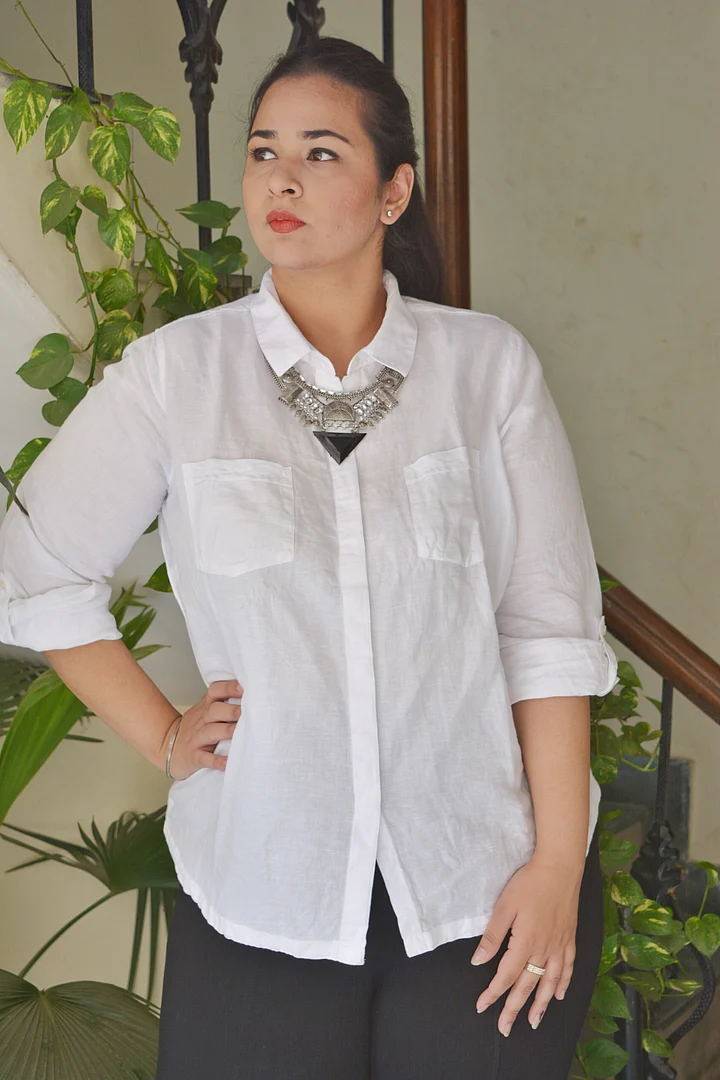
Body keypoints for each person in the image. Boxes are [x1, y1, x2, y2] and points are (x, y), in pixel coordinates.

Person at [0, 35, 619, 1080]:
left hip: (481, 891)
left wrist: (558, 865)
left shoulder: (488, 370)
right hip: (263, 898)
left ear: (394, 191)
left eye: (322, 152)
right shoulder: (175, 379)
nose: (280, 179)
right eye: (263, 151)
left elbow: (547, 628)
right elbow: (39, 570)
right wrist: (163, 734)